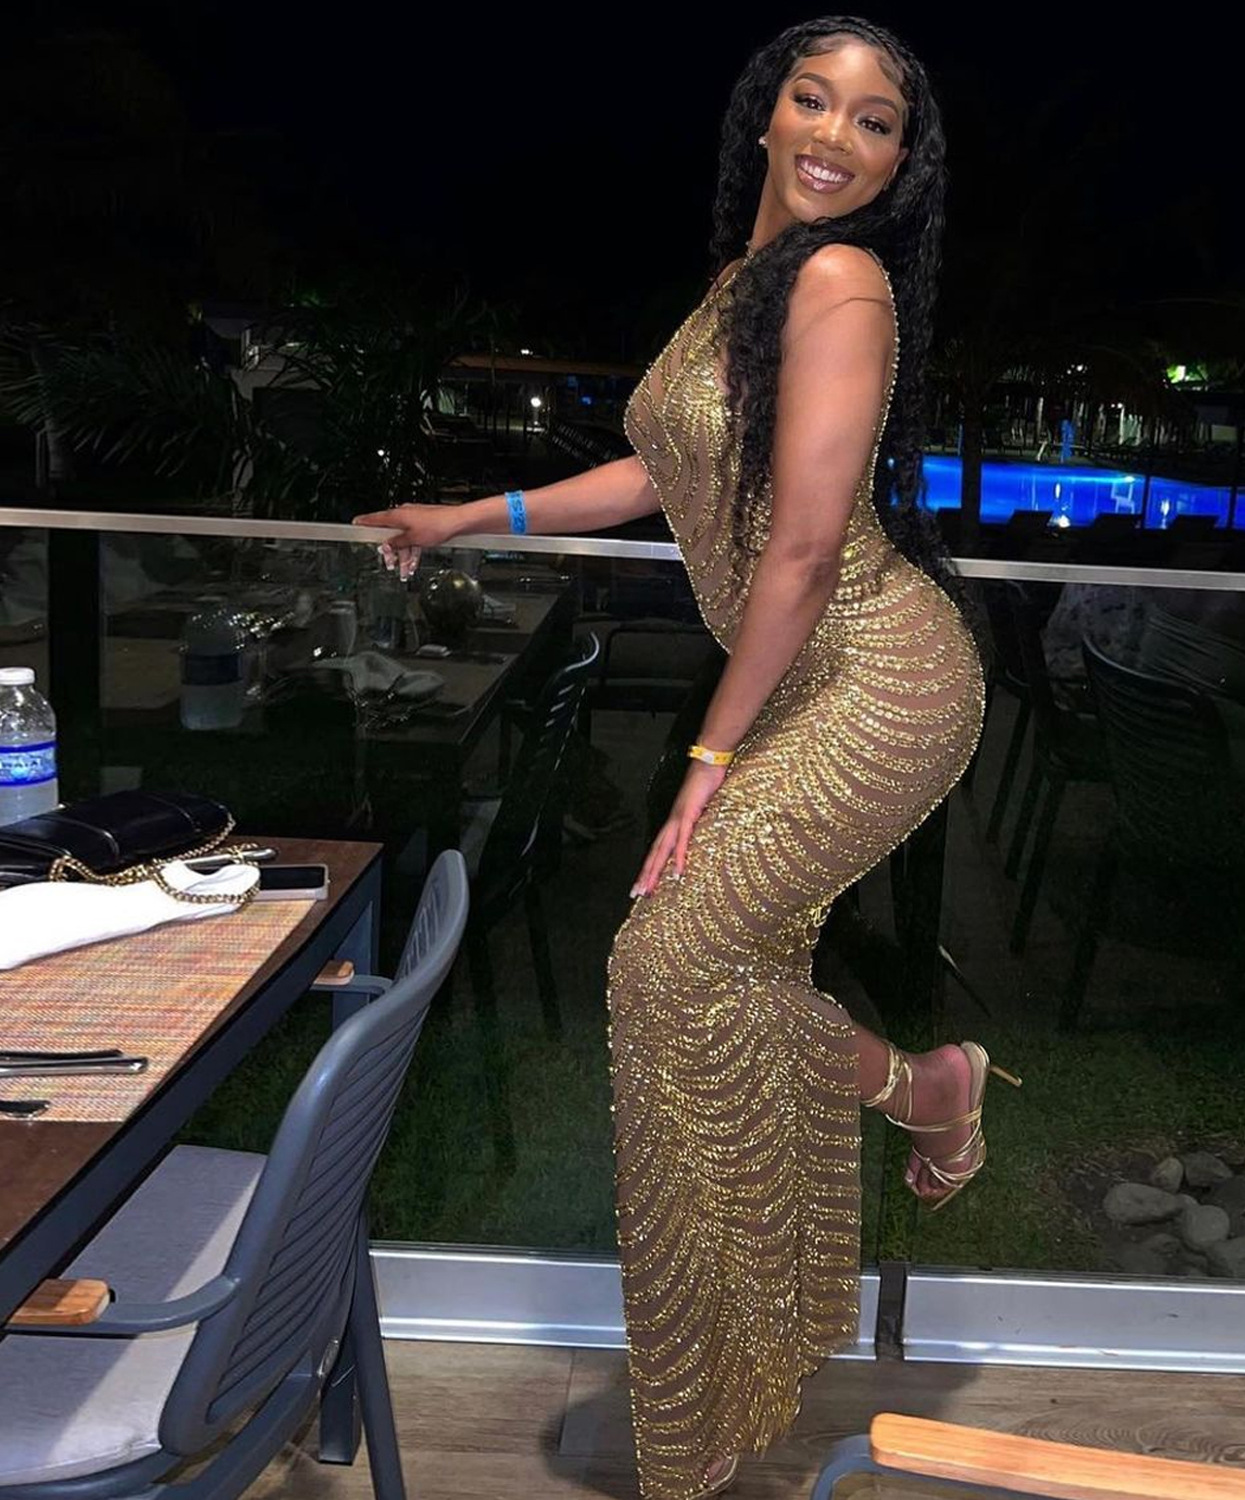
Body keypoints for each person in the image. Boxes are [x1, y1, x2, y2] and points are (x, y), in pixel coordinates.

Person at [355, 18, 1017, 1499]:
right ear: (765, 115)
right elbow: (656, 472)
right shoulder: (743, 286)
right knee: (696, 977)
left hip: (882, 681)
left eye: (876, 121)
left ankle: (914, 1104)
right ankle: (884, 1146)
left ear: (902, 163)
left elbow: (800, 549)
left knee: (667, 962)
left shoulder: (842, 287)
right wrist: (472, 517)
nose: (837, 135)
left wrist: (706, 761)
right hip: (801, 677)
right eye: (813, 99)